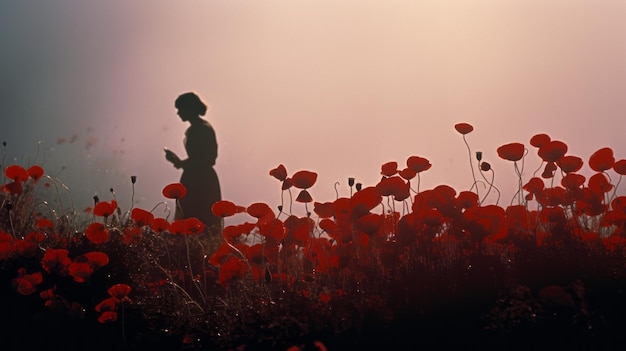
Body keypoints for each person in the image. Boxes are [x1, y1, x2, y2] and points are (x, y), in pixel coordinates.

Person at [164, 92, 222, 234]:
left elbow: (208, 159)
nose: (178, 113)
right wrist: (179, 162)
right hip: (195, 179)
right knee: (192, 220)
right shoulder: (197, 128)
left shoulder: (201, 129)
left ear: (189, 109)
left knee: (200, 220)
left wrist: (180, 163)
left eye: (180, 109)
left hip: (201, 183)